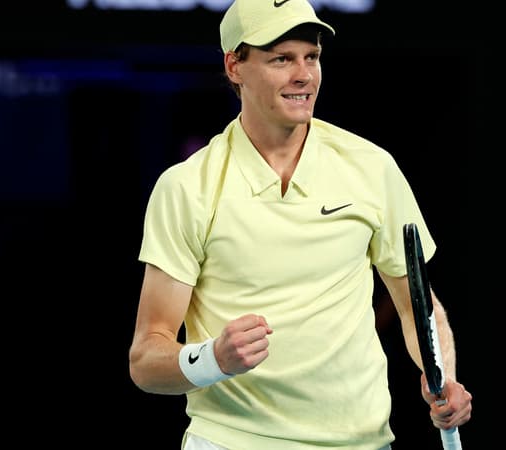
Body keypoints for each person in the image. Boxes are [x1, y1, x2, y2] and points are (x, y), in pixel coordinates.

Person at [128, 0, 473, 448]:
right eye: (281, 59)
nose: (304, 75)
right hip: (231, 442)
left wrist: (444, 377)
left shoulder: (372, 167)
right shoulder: (186, 188)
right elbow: (146, 360)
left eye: (312, 57)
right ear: (234, 66)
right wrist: (212, 359)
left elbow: (417, 308)